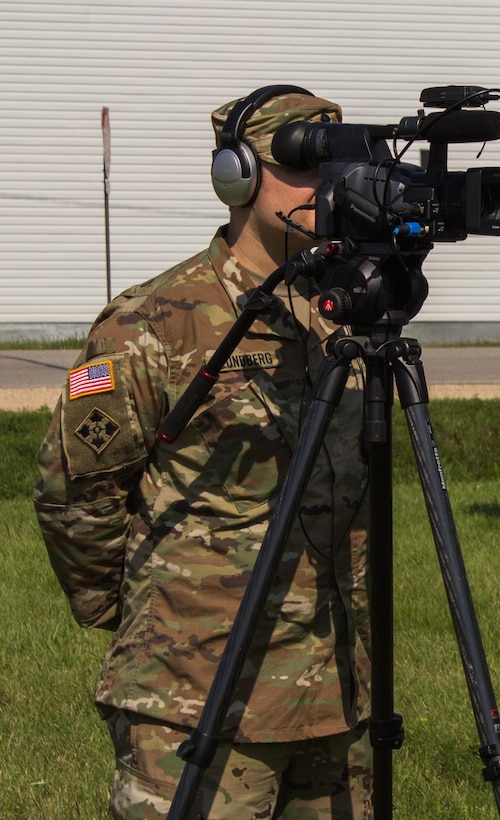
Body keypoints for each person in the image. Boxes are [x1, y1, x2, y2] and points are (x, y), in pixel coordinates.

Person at [34, 86, 373, 817]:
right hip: (193, 691)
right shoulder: (154, 322)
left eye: (337, 162)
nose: (326, 183)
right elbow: (76, 493)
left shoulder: (348, 318)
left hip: (337, 690)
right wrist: (144, 616)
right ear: (237, 175)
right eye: (301, 161)